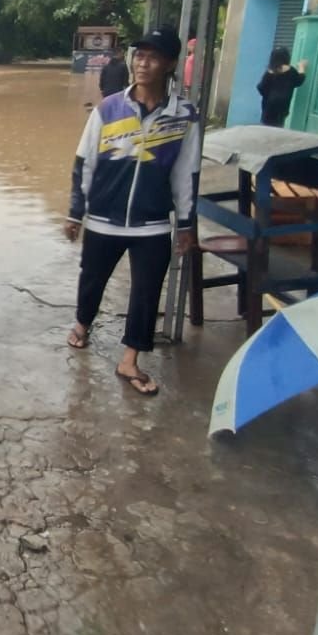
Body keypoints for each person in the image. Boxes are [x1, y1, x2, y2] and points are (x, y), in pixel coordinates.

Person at [64, 26, 202, 396]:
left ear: (170, 64)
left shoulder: (184, 117)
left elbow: (186, 174)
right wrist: (76, 212)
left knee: (146, 292)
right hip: (104, 218)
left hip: (152, 223)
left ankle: (130, 360)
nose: (143, 63)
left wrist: (187, 225)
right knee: (92, 278)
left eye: (153, 57)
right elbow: (84, 161)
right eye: (139, 56)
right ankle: (82, 323)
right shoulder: (109, 108)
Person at [256, 47, 308, 127]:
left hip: (269, 106)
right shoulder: (291, 71)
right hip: (283, 105)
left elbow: (260, 88)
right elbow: (299, 80)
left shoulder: (269, 72)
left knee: (267, 127)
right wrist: (302, 67)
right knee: (279, 126)